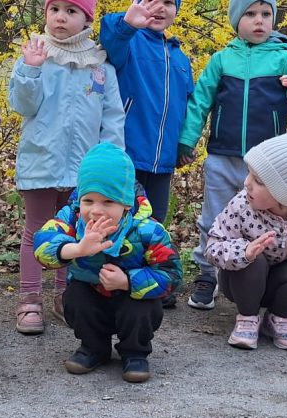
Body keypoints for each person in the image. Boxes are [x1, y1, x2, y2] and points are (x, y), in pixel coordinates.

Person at [178, 0, 287, 311]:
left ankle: (261, 274)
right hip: (222, 156)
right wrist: (187, 140)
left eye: (266, 14)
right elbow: (200, 101)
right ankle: (207, 274)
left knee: (266, 218)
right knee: (213, 218)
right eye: (251, 14)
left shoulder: (284, 58)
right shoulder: (222, 60)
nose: (259, 21)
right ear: (236, 19)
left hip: (268, 165)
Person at [9, 0, 126, 335]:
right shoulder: (36, 55)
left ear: (87, 19)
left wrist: (110, 163)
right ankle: (30, 300)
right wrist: (29, 71)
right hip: (41, 162)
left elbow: (113, 118)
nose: (60, 16)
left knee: (74, 231)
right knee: (35, 231)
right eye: (54, 8)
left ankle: (65, 293)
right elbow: (22, 106)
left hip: (83, 170)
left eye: (71, 10)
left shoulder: (101, 66)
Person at [34, 142, 181, 383]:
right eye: (88, 201)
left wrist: (128, 281)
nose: (96, 211)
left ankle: (135, 352)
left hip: (130, 296)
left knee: (143, 306)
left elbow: (172, 275)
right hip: (91, 293)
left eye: (108, 202)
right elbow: (42, 245)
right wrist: (78, 248)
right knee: (75, 297)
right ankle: (94, 347)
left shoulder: (147, 228)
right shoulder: (71, 216)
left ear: (126, 203)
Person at [100, 0, 193, 307]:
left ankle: (152, 281)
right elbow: (108, 36)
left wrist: (185, 143)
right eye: (151, 0)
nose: (159, 8)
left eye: (168, 2)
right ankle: (113, 278)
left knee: (155, 221)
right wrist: (128, 22)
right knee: (122, 219)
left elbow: (189, 106)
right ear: (137, 1)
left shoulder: (180, 56)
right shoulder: (130, 40)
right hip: (128, 153)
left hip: (164, 160)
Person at [205, 133, 287, 351]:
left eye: (258, 181)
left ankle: (278, 319)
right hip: (241, 283)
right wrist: (244, 251)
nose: (246, 183)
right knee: (254, 260)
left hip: (281, 284)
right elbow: (213, 246)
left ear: (284, 195)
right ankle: (247, 317)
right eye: (249, 174)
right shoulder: (241, 206)